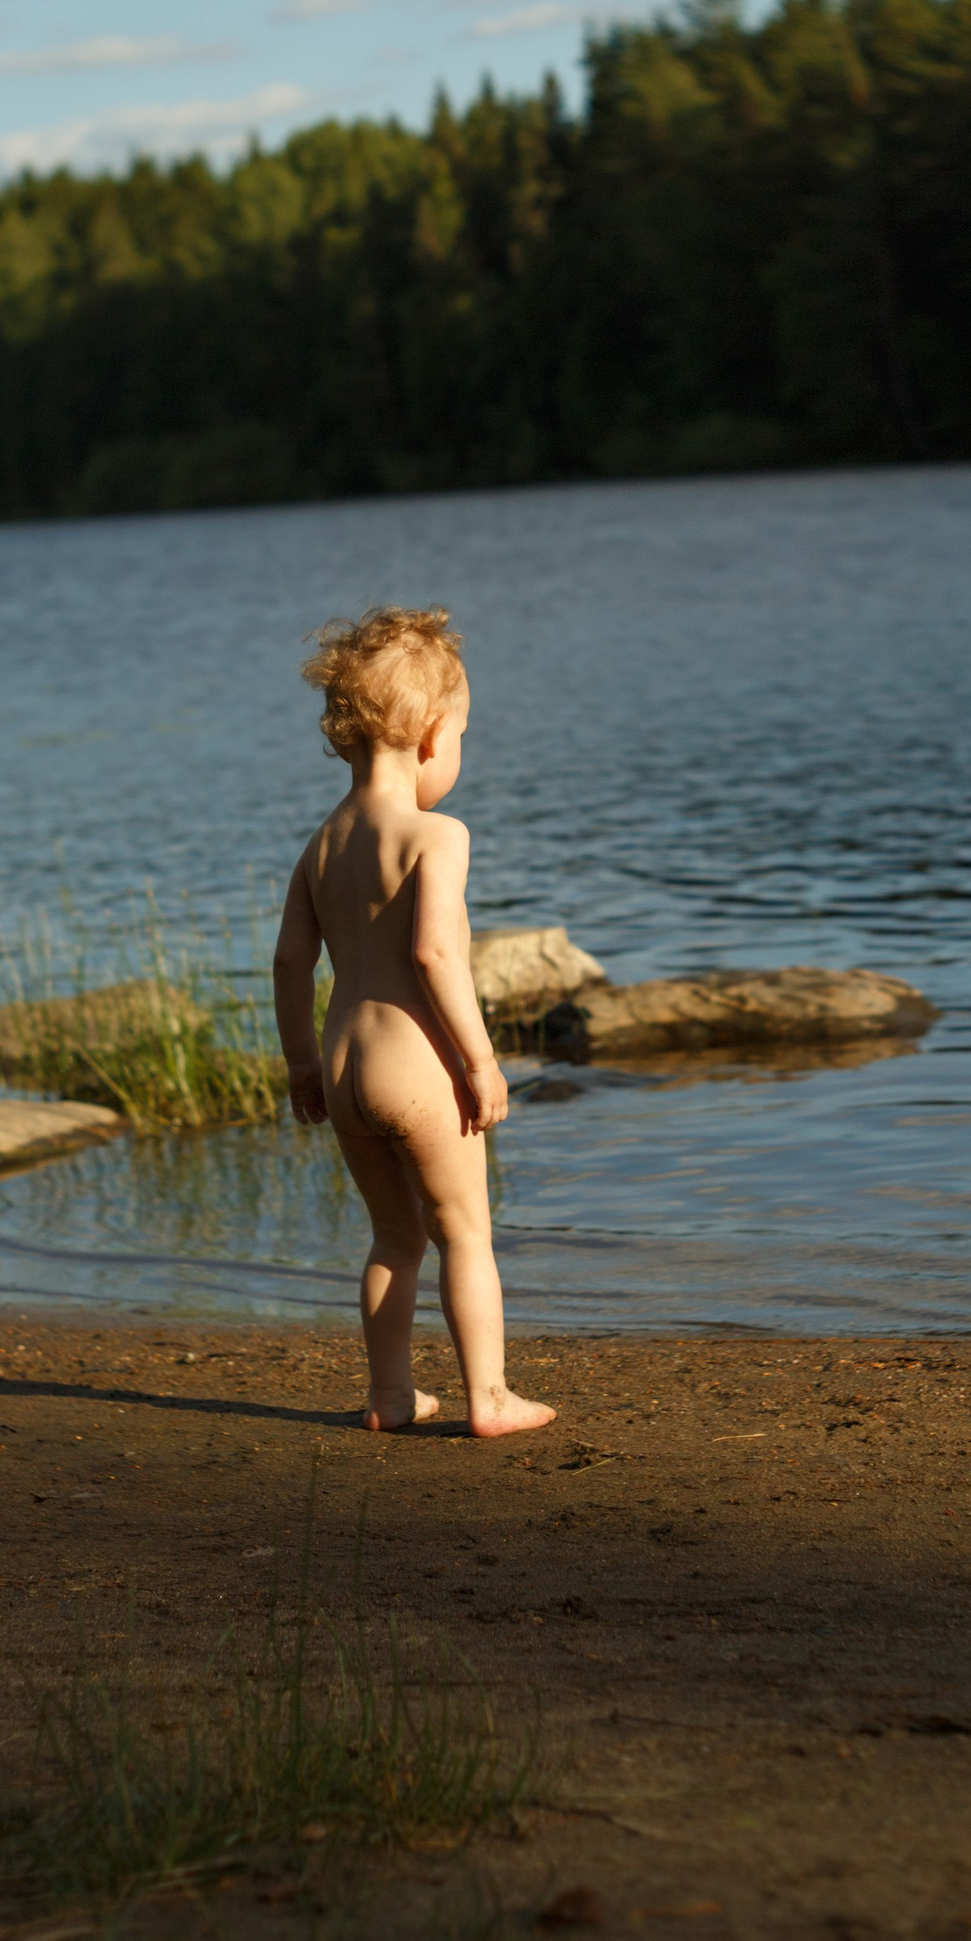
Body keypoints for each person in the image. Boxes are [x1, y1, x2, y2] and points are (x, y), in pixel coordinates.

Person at [274, 605, 555, 1439]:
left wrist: (300, 1067)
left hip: (346, 1069)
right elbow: (436, 956)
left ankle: (391, 1397)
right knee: (467, 1231)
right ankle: (491, 1398)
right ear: (434, 736)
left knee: (394, 1240)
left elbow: (292, 964)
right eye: (463, 736)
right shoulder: (437, 834)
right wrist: (479, 1061)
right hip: (419, 1067)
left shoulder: (320, 846)